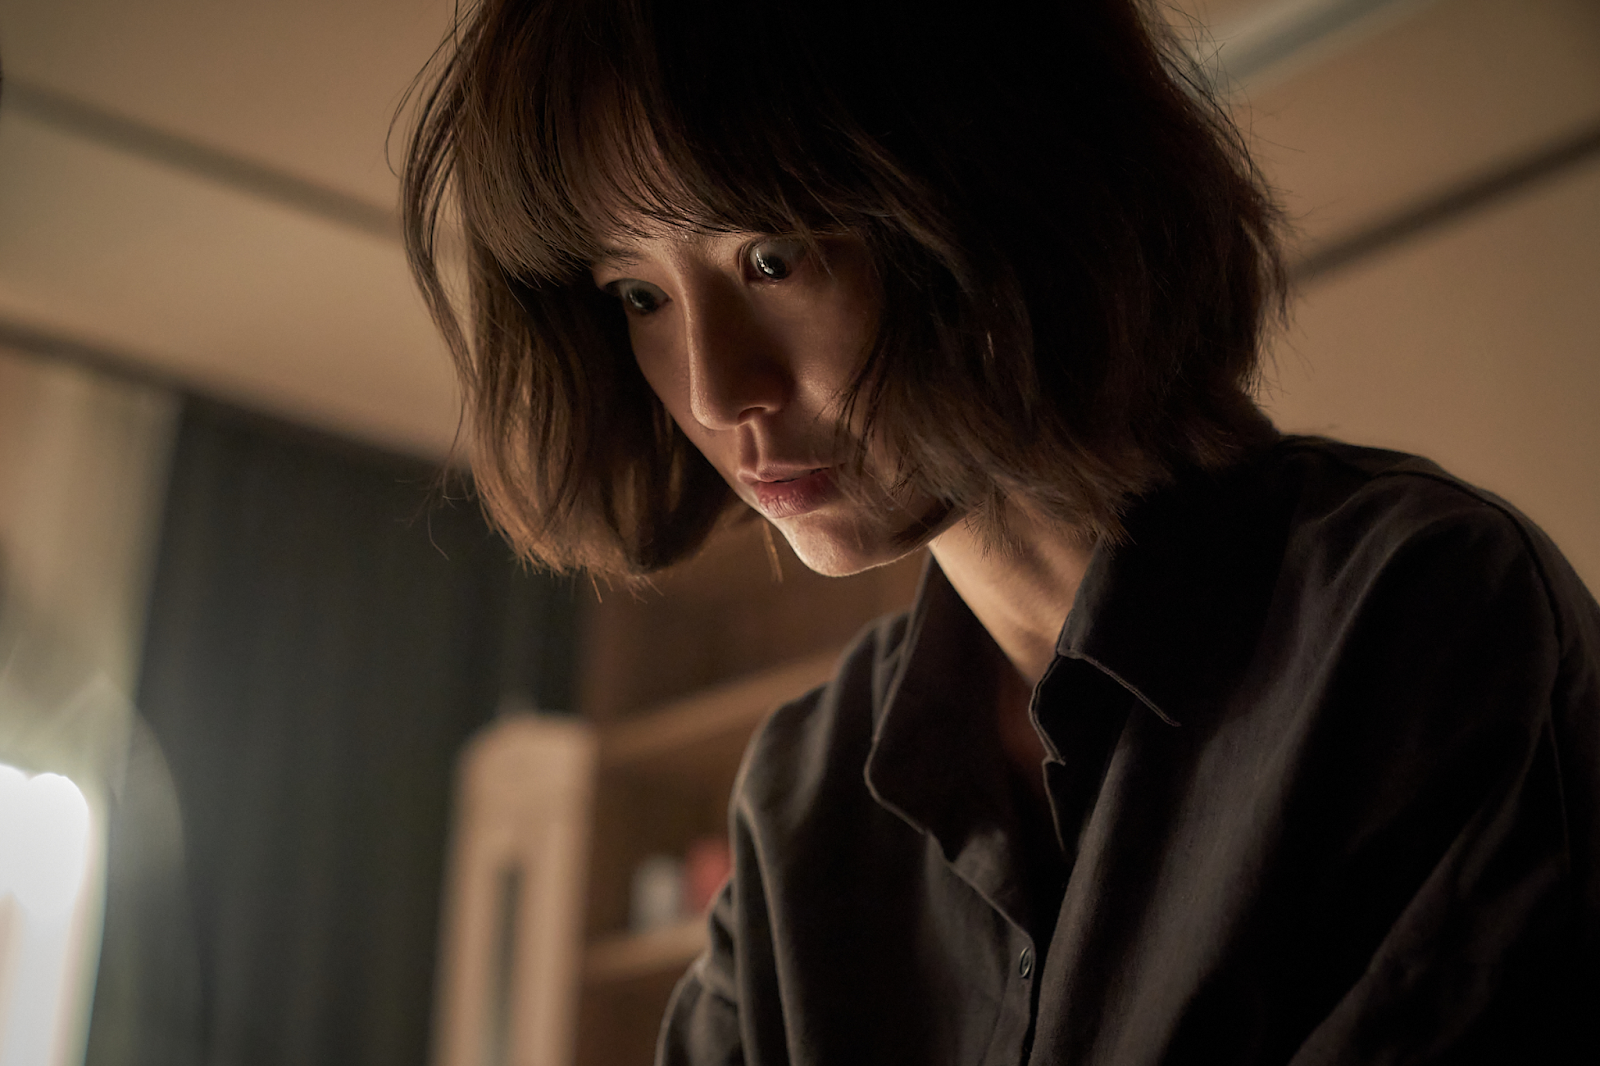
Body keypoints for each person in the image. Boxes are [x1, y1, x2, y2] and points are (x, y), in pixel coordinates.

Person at [401, 0, 1600, 1061]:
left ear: (996, 190)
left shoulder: (1415, 615)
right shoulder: (805, 796)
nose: (716, 391)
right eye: (638, 295)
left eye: (772, 256)